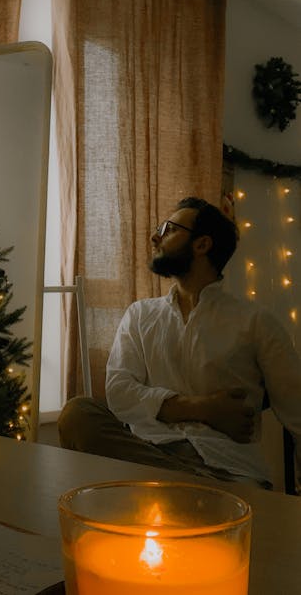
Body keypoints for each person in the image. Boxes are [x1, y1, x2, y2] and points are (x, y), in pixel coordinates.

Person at [58, 197, 301, 489]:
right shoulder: (140, 314)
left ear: (202, 245)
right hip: (149, 455)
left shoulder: (256, 322)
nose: (155, 236)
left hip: (228, 471)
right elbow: (119, 394)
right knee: (78, 413)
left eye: (168, 229)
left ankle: (192, 492)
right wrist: (204, 408)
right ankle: (185, 490)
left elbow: (296, 412)